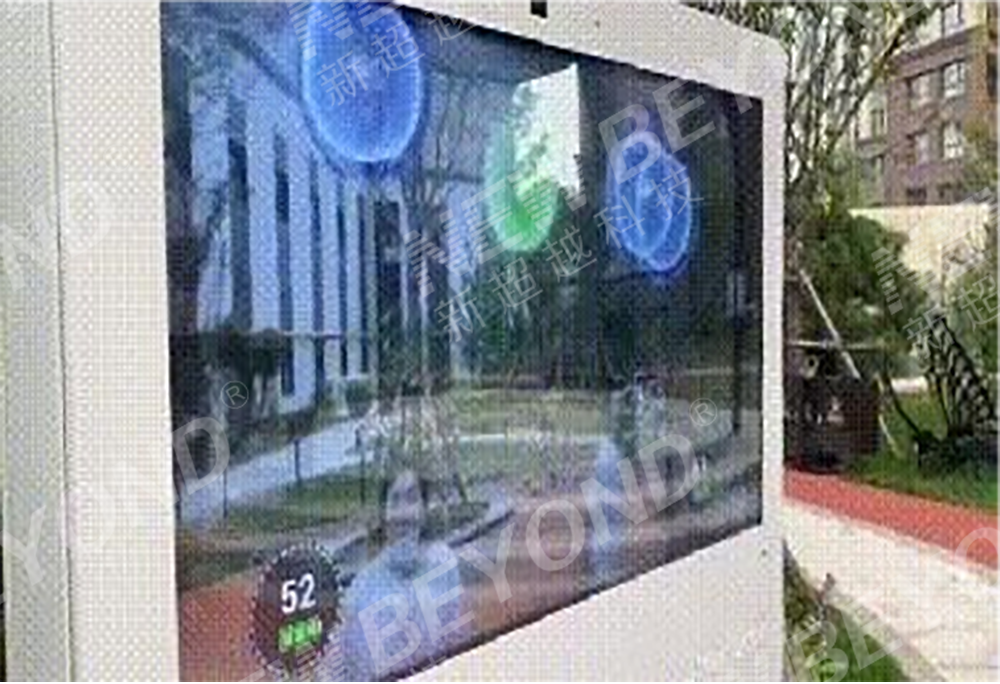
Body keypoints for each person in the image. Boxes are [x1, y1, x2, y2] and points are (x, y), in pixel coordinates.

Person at [333, 470, 468, 681]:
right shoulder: (359, 592)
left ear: (424, 510)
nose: (403, 514)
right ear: (384, 513)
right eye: (395, 500)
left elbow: (460, 648)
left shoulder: (444, 564)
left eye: (412, 499)